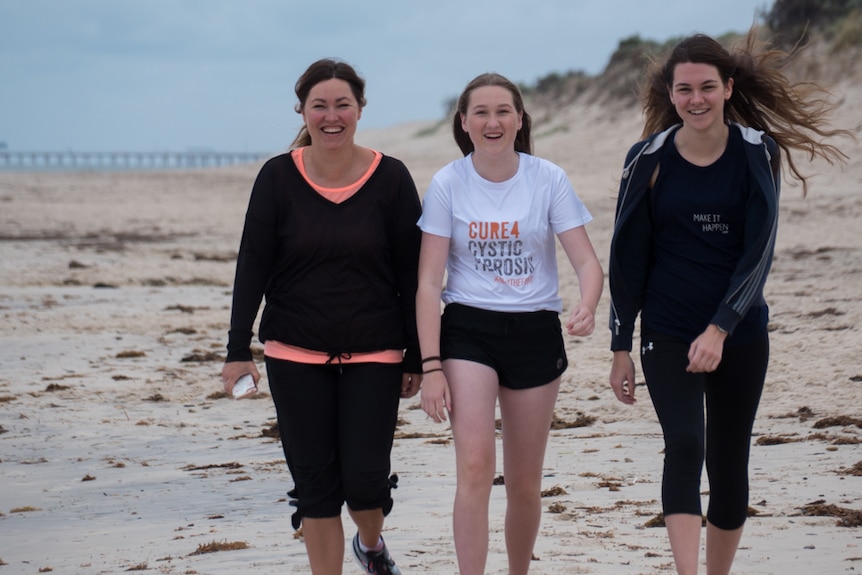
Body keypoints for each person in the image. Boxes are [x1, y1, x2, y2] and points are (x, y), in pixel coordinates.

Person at [607, 30, 851, 575]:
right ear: (670, 95)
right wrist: (620, 345)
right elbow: (627, 258)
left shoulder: (756, 151)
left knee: (729, 460)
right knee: (686, 444)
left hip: (739, 332)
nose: (696, 99)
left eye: (707, 87)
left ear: (728, 87)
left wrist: (720, 328)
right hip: (667, 329)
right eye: (685, 89)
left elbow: (759, 250)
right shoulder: (644, 160)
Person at [221, 58, 422, 575]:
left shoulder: (392, 178)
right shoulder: (276, 177)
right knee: (315, 486)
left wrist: (419, 357)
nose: (331, 116)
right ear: (302, 111)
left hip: (375, 352)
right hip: (294, 352)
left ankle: (371, 546)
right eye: (319, 106)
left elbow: (412, 274)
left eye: (342, 105)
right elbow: (253, 265)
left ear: (359, 109)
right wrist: (237, 350)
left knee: (365, 482)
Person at [416, 72, 604, 575]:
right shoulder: (448, 183)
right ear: (464, 122)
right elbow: (429, 284)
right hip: (468, 332)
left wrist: (586, 304)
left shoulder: (548, 178)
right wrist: (431, 366)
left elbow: (587, 262)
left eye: (503, 111)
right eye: (481, 112)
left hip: (535, 330)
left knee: (524, 481)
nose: (492, 121)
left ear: (520, 120)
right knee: (476, 466)